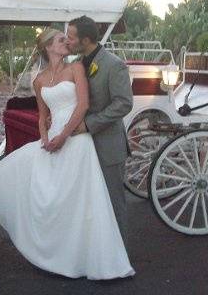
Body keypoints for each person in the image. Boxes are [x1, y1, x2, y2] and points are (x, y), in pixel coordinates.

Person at [0, 28, 134, 280]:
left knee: (81, 200)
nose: (66, 42)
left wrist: (64, 135)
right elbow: (42, 116)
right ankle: (55, 254)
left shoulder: (76, 68)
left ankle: (93, 258)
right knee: (50, 198)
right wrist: (45, 139)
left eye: (67, 38)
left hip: (77, 138)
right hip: (53, 138)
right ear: (48, 47)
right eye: (60, 40)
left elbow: (84, 105)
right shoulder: (39, 80)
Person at [66, 16, 133, 244]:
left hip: (108, 146)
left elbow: (123, 103)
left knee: (113, 202)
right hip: (81, 146)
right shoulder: (75, 63)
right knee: (87, 200)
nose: (68, 40)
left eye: (71, 36)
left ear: (85, 40)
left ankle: (118, 255)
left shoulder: (114, 65)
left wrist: (89, 124)